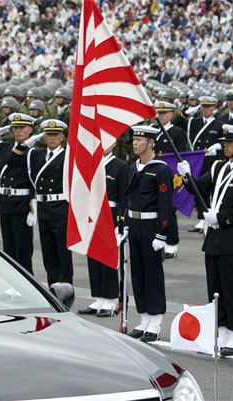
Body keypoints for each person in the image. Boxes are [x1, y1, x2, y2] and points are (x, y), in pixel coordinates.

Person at [178, 125, 233, 356]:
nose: (225, 144)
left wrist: (222, 217)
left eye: (231, 141)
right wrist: (186, 177)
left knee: (232, 288)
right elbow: (198, 187)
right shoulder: (218, 167)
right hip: (214, 238)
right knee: (216, 288)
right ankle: (222, 329)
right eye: (225, 141)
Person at [124, 126, 173, 343]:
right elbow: (128, 198)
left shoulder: (160, 169)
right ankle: (144, 318)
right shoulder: (133, 167)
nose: (135, 143)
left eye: (139, 139)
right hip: (134, 223)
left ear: (151, 142)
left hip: (151, 225)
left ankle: (156, 322)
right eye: (134, 139)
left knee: (153, 274)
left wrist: (162, 233)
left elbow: (165, 204)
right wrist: (125, 225)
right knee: (138, 272)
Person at [79, 142, 129, 317]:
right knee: (93, 256)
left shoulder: (121, 166)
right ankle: (99, 297)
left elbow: (124, 196)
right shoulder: (92, 164)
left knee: (108, 258)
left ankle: (110, 300)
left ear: (115, 143)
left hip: (110, 214)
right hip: (92, 214)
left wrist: (121, 223)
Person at [0, 113, 42, 273]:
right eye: (15, 128)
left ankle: (27, 280)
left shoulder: (33, 152)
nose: (18, 131)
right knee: (9, 247)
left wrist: (33, 208)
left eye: (22, 128)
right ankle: (13, 283)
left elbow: (36, 179)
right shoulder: (1, 147)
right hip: (5, 202)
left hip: (22, 204)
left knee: (23, 249)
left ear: (30, 130)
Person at [27, 119, 73, 287]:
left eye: (56, 135)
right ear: (44, 137)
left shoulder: (68, 155)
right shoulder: (36, 154)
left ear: (62, 137)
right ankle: (53, 284)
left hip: (60, 206)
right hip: (43, 207)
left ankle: (66, 286)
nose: (52, 138)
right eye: (49, 135)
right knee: (48, 251)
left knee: (62, 250)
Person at [153, 101, 189, 258]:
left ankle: (172, 244)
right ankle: (159, 237)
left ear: (171, 114)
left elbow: (182, 155)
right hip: (154, 174)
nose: (161, 116)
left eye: (164, 113)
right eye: (159, 113)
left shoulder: (177, 132)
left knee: (169, 208)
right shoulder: (153, 130)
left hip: (170, 175)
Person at [186, 96, 224, 233]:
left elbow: (225, 142)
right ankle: (201, 218)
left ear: (214, 108)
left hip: (211, 162)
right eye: (203, 106)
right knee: (198, 189)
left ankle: (210, 216)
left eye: (209, 106)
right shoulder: (194, 122)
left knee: (210, 190)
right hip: (197, 161)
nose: (206, 109)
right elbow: (187, 134)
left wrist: (218, 146)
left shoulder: (219, 124)